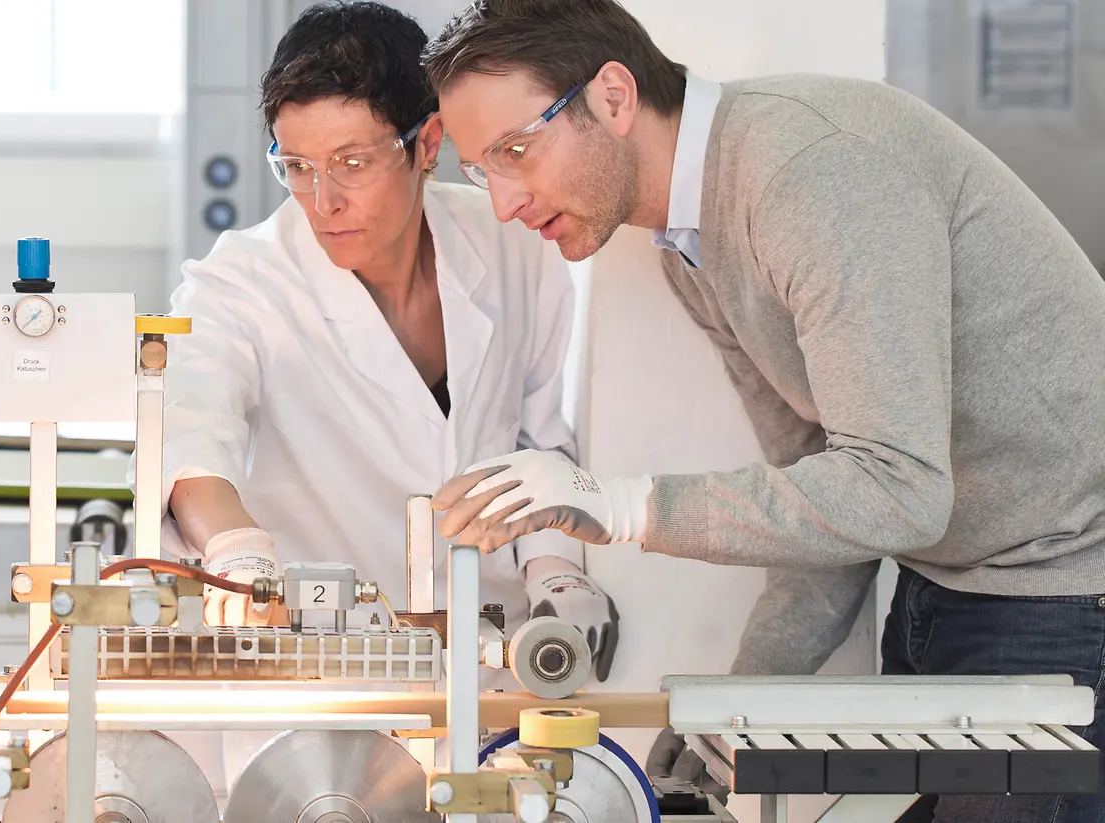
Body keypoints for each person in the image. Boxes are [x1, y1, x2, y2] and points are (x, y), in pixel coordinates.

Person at [419, 2, 1105, 821]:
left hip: (1062, 590)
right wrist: (739, 701)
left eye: (516, 151)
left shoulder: (810, 172)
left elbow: (900, 487)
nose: (503, 202)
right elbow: (832, 496)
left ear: (612, 95)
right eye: (479, 168)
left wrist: (623, 505)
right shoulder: (690, 241)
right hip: (945, 589)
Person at [160, 0, 619, 679]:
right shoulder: (243, 280)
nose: (322, 201)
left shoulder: (515, 242)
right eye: (296, 165)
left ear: (427, 144)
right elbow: (190, 432)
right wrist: (235, 549)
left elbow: (542, 441)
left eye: (351, 162)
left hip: (493, 665)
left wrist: (556, 576)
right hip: (321, 671)